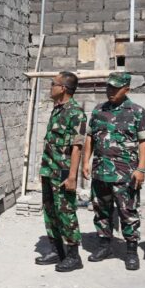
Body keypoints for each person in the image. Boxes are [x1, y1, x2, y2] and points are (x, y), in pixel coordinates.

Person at [82, 72, 145, 271]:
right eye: (108, 87)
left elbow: (143, 143)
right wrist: (86, 161)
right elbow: (90, 138)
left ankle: (131, 252)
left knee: (128, 211)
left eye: (115, 88)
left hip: (126, 173)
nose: (110, 91)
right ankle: (104, 246)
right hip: (100, 171)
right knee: (101, 210)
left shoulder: (137, 111)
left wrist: (141, 169)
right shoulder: (98, 110)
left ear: (126, 89)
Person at [36, 72, 87, 272]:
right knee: (50, 212)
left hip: (64, 172)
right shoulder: (57, 110)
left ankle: (74, 256)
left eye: (53, 84)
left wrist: (73, 176)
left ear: (63, 88)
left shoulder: (76, 113)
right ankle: (57, 251)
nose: (50, 87)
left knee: (66, 213)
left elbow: (77, 147)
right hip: (49, 169)